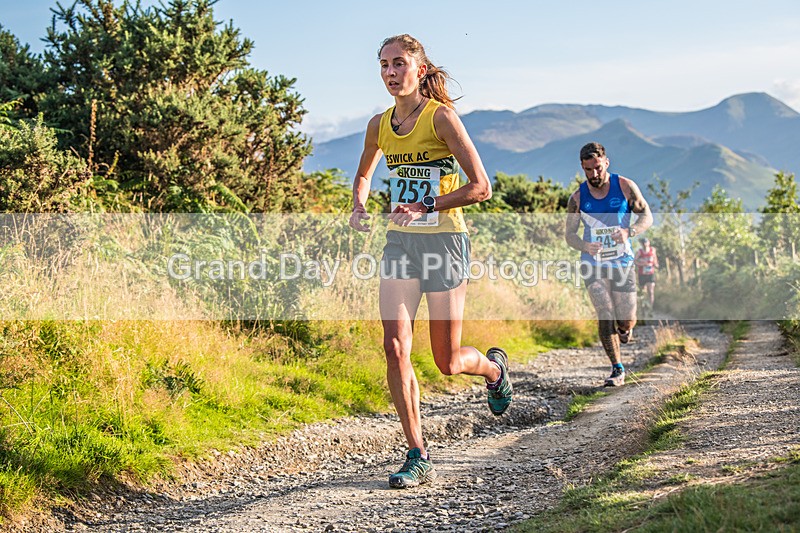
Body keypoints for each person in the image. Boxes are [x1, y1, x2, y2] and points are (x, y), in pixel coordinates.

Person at [348, 34, 512, 489]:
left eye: (399, 63)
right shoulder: (379, 125)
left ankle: (494, 370)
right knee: (395, 344)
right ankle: (417, 453)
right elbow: (364, 171)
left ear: (419, 69)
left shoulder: (442, 118)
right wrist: (359, 203)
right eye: (383, 65)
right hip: (400, 244)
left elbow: (482, 187)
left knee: (447, 360)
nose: (389, 72)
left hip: (444, 243)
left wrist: (426, 206)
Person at [564, 142, 653, 387]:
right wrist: (584, 246)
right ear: (582, 168)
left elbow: (647, 216)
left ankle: (625, 329)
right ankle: (617, 368)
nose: (594, 175)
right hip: (593, 262)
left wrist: (629, 231)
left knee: (625, 318)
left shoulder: (625, 187)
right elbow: (570, 234)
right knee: (604, 309)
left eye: (597, 168)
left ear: (606, 163)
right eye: (588, 170)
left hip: (622, 260)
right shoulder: (578, 198)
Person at [634, 238, 659, 312]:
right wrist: (641, 264)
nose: (645, 244)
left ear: (649, 242)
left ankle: (650, 308)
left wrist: (656, 264)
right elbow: (635, 261)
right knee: (643, 292)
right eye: (644, 243)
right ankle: (643, 307)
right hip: (642, 274)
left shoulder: (652, 250)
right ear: (642, 244)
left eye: (646, 242)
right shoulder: (640, 252)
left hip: (650, 273)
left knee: (651, 291)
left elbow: (655, 258)